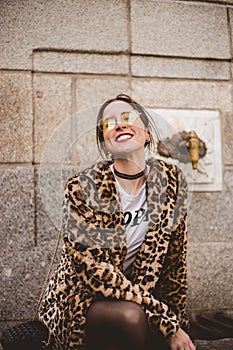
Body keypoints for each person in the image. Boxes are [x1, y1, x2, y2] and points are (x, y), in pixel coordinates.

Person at [38, 94, 196, 350]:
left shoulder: (171, 181)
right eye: (108, 123)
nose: (120, 125)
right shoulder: (82, 188)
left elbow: (175, 265)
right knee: (131, 317)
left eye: (128, 118)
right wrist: (166, 322)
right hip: (83, 298)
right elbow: (94, 271)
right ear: (105, 142)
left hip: (140, 297)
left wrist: (178, 323)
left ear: (146, 133)